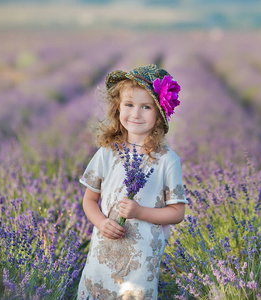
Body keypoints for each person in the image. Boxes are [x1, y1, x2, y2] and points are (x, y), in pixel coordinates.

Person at [77, 64, 188, 300]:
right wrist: (100, 222)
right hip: (102, 255)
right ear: (118, 108)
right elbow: (89, 199)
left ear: (159, 114)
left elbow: (177, 212)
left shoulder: (167, 160)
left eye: (146, 107)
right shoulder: (107, 153)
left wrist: (140, 211)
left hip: (141, 261)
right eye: (129, 105)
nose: (136, 114)